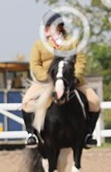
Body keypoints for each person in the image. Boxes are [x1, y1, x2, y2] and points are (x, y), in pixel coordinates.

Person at [20, 11, 101, 148]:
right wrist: (47, 78)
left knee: (95, 102)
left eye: (48, 26)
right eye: (45, 27)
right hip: (46, 82)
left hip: (71, 80)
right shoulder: (38, 45)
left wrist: (75, 77)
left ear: (58, 27)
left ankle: (88, 135)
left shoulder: (72, 42)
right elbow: (35, 65)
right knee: (26, 102)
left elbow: (81, 61)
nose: (45, 29)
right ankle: (31, 134)